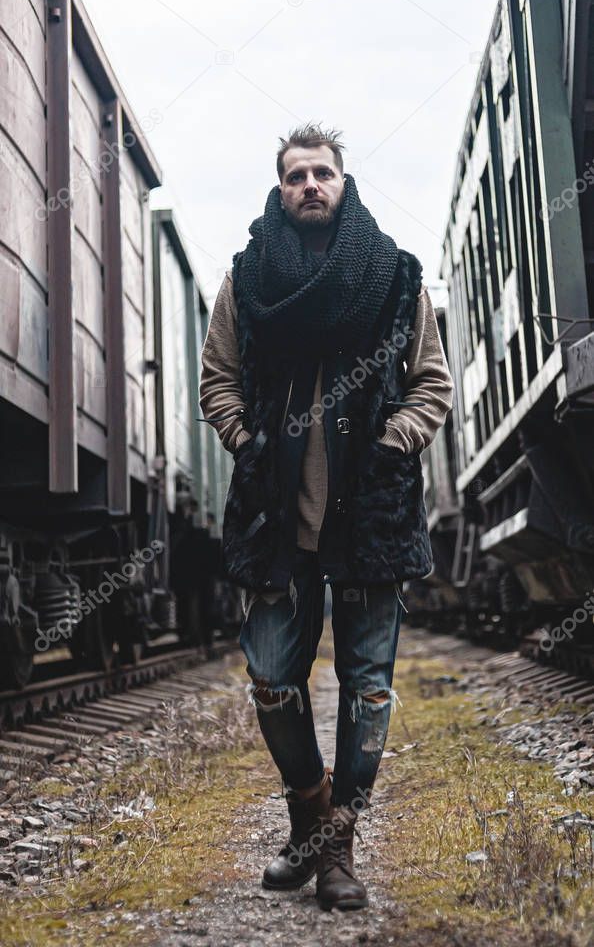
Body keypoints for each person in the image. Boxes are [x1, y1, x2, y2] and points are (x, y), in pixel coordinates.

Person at [199, 124, 454, 911]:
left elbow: (432, 384)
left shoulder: (393, 276)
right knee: (274, 678)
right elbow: (218, 380)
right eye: (296, 175)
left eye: (323, 174)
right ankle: (309, 812)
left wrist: (390, 447)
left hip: (369, 516)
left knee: (368, 688)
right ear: (279, 190)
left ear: (344, 184)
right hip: (276, 518)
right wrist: (247, 442)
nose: (310, 184)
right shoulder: (247, 281)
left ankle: (337, 848)